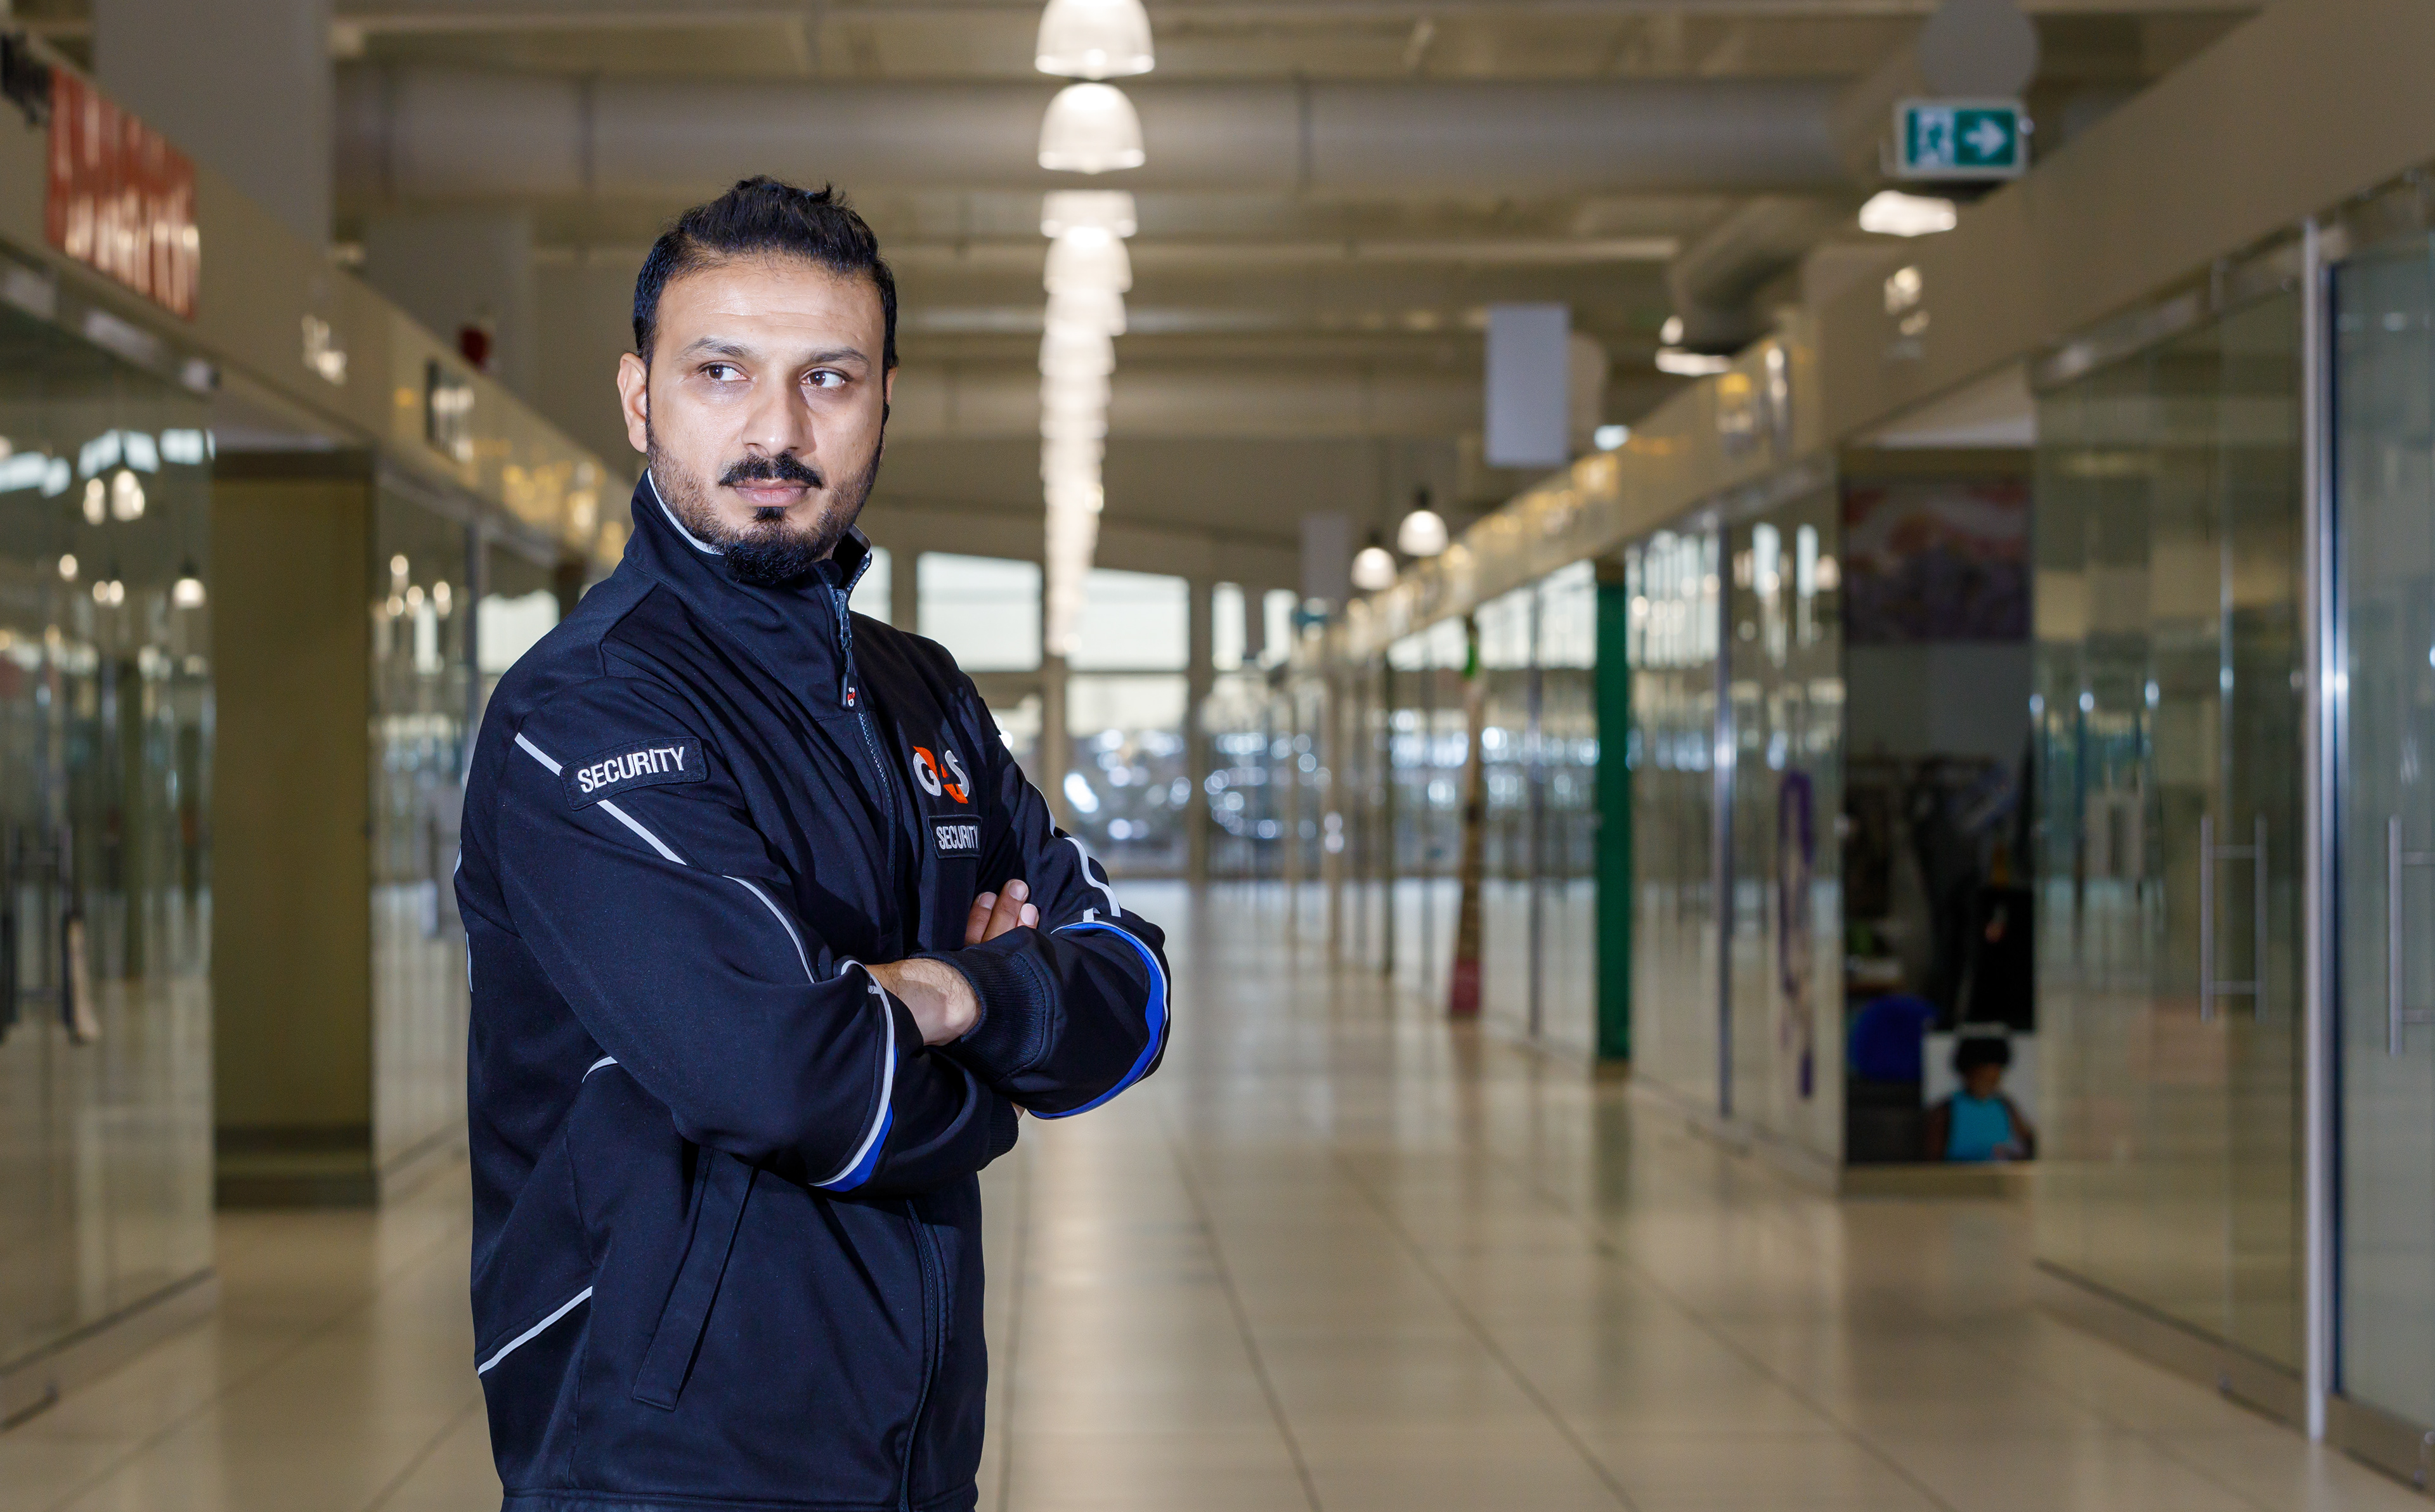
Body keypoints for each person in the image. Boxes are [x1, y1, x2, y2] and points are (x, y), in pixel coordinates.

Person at [454, 177, 1171, 1512]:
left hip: (914, 1444)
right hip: (663, 1457)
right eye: (720, 372)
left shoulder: (926, 695)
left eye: (827, 379)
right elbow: (791, 1081)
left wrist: (943, 990)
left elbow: (1133, 991)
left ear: (884, 398)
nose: (775, 430)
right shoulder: (586, 709)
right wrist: (994, 1041)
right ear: (640, 397)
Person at [1926, 1036, 2036, 1163]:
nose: (1987, 1086)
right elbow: (1933, 1157)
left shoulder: (2004, 1106)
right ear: (1967, 1073)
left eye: (1993, 1080)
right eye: (1982, 1078)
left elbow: (2029, 1143)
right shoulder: (1947, 1109)